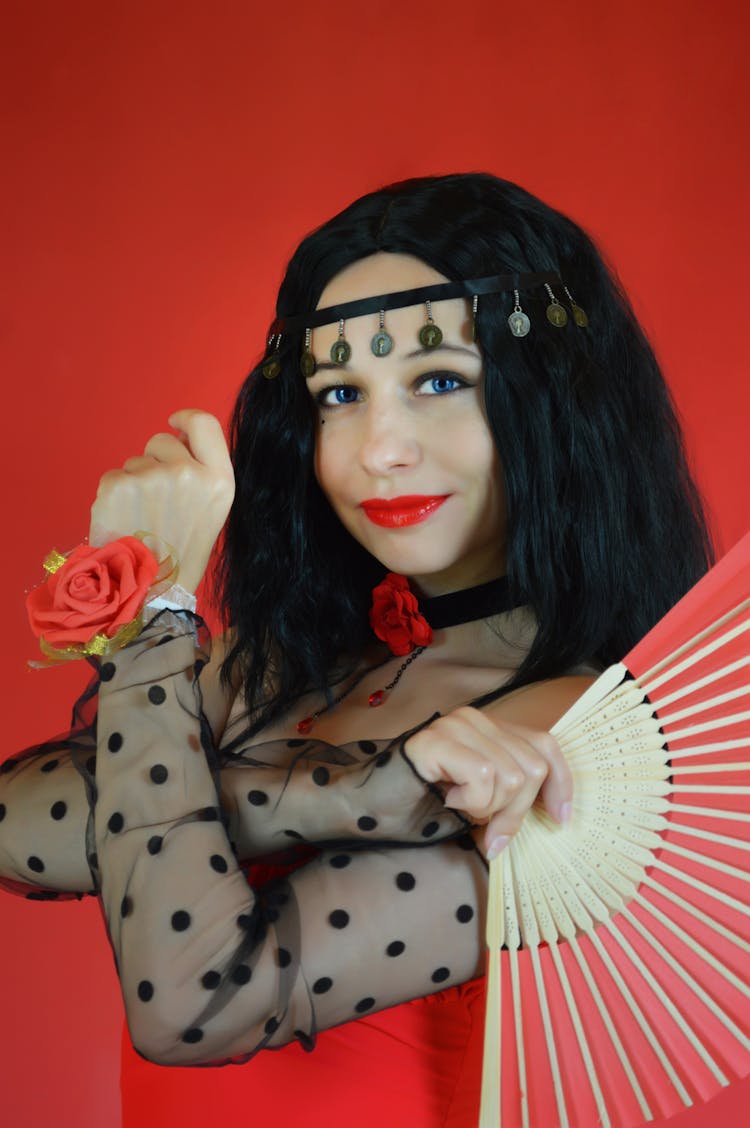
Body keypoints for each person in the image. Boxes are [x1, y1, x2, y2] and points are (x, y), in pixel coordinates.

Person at [0, 173, 713, 1126]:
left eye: (441, 381)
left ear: (557, 405)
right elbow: (15, 829)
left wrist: (157, 639)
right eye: (339, 393)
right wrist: (362, 792)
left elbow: (199, 1000)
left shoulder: (582, 734)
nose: (381, 447)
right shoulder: (289, 663)